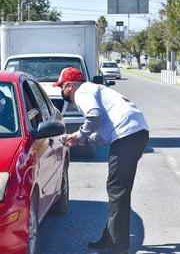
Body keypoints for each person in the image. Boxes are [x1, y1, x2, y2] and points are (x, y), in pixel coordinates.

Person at [52, 67, 149, 254]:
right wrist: (82, 139)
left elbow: (94, 116)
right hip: (135, 133)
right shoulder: (94, 90)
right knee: (119, 191)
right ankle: (110, 239)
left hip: (128, 135)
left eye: (62, 87)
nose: (61, 91)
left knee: (117, 191)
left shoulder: (82, 92)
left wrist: (79, 135)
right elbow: (104, 131)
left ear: (70, 85)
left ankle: (117, 247)